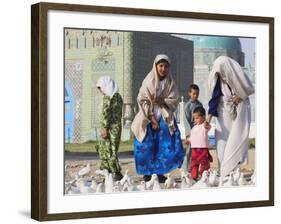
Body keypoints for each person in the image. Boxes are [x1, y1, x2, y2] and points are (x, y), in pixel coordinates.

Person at [131, 54, 184, 183]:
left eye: (166, 66)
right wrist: (152, 119)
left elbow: (174, 99)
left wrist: (162, 101)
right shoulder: (148, 81)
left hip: (164, 116)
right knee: (146, 146)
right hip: (147, 116)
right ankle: (147, 173)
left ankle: (160, 172)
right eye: (161, 66)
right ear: (155, 66)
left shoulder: (170, 82)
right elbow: (142, 99)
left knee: (165, 145)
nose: (163, 69)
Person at [206, 56, 254, 178]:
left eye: (221, 70)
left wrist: (240, 96)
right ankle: (224, 171)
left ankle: (234, 171)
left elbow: (248, 89)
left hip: (237, 115)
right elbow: (214, 100)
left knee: (235, 140)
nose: (219, 73)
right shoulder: (218, 81)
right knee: (222, 143)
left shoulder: (237, 76)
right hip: (223, 115)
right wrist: (208, 119)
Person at [96, 76, 123, 181]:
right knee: (113, 149)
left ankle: (114, 173)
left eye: (101, 88)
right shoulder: (118, 97)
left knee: (107, 150)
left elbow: (106, 114)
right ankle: (111, 173)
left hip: (109, 128)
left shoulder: (108, 98)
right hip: (117, 128)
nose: (101, 91)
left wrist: (104, 128)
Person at [182, 84, 203, 172]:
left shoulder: (200, 104)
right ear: (189, 94)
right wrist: (189, 133)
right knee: (188, 151)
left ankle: (195, 169)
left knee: (197, 151)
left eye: (197, 93)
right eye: (193, 93)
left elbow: (202, 117)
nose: (195, 95)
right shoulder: (187, 105)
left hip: (198, 132)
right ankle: (186, 170)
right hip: (190, 132)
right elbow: (185, 120)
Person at [188, 107, 213, 180]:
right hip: (194, 149)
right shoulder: (194, 128)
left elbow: (208, 126)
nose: (195, 120)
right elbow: (191, 137)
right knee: (194, 163)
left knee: (204, 162)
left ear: (203, 117)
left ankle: (204, 176)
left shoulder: (204, 126)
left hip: (203, 148)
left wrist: (207, 122)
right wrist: (188, 140)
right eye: (194, 118)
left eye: (197, 118)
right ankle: (194, 176)